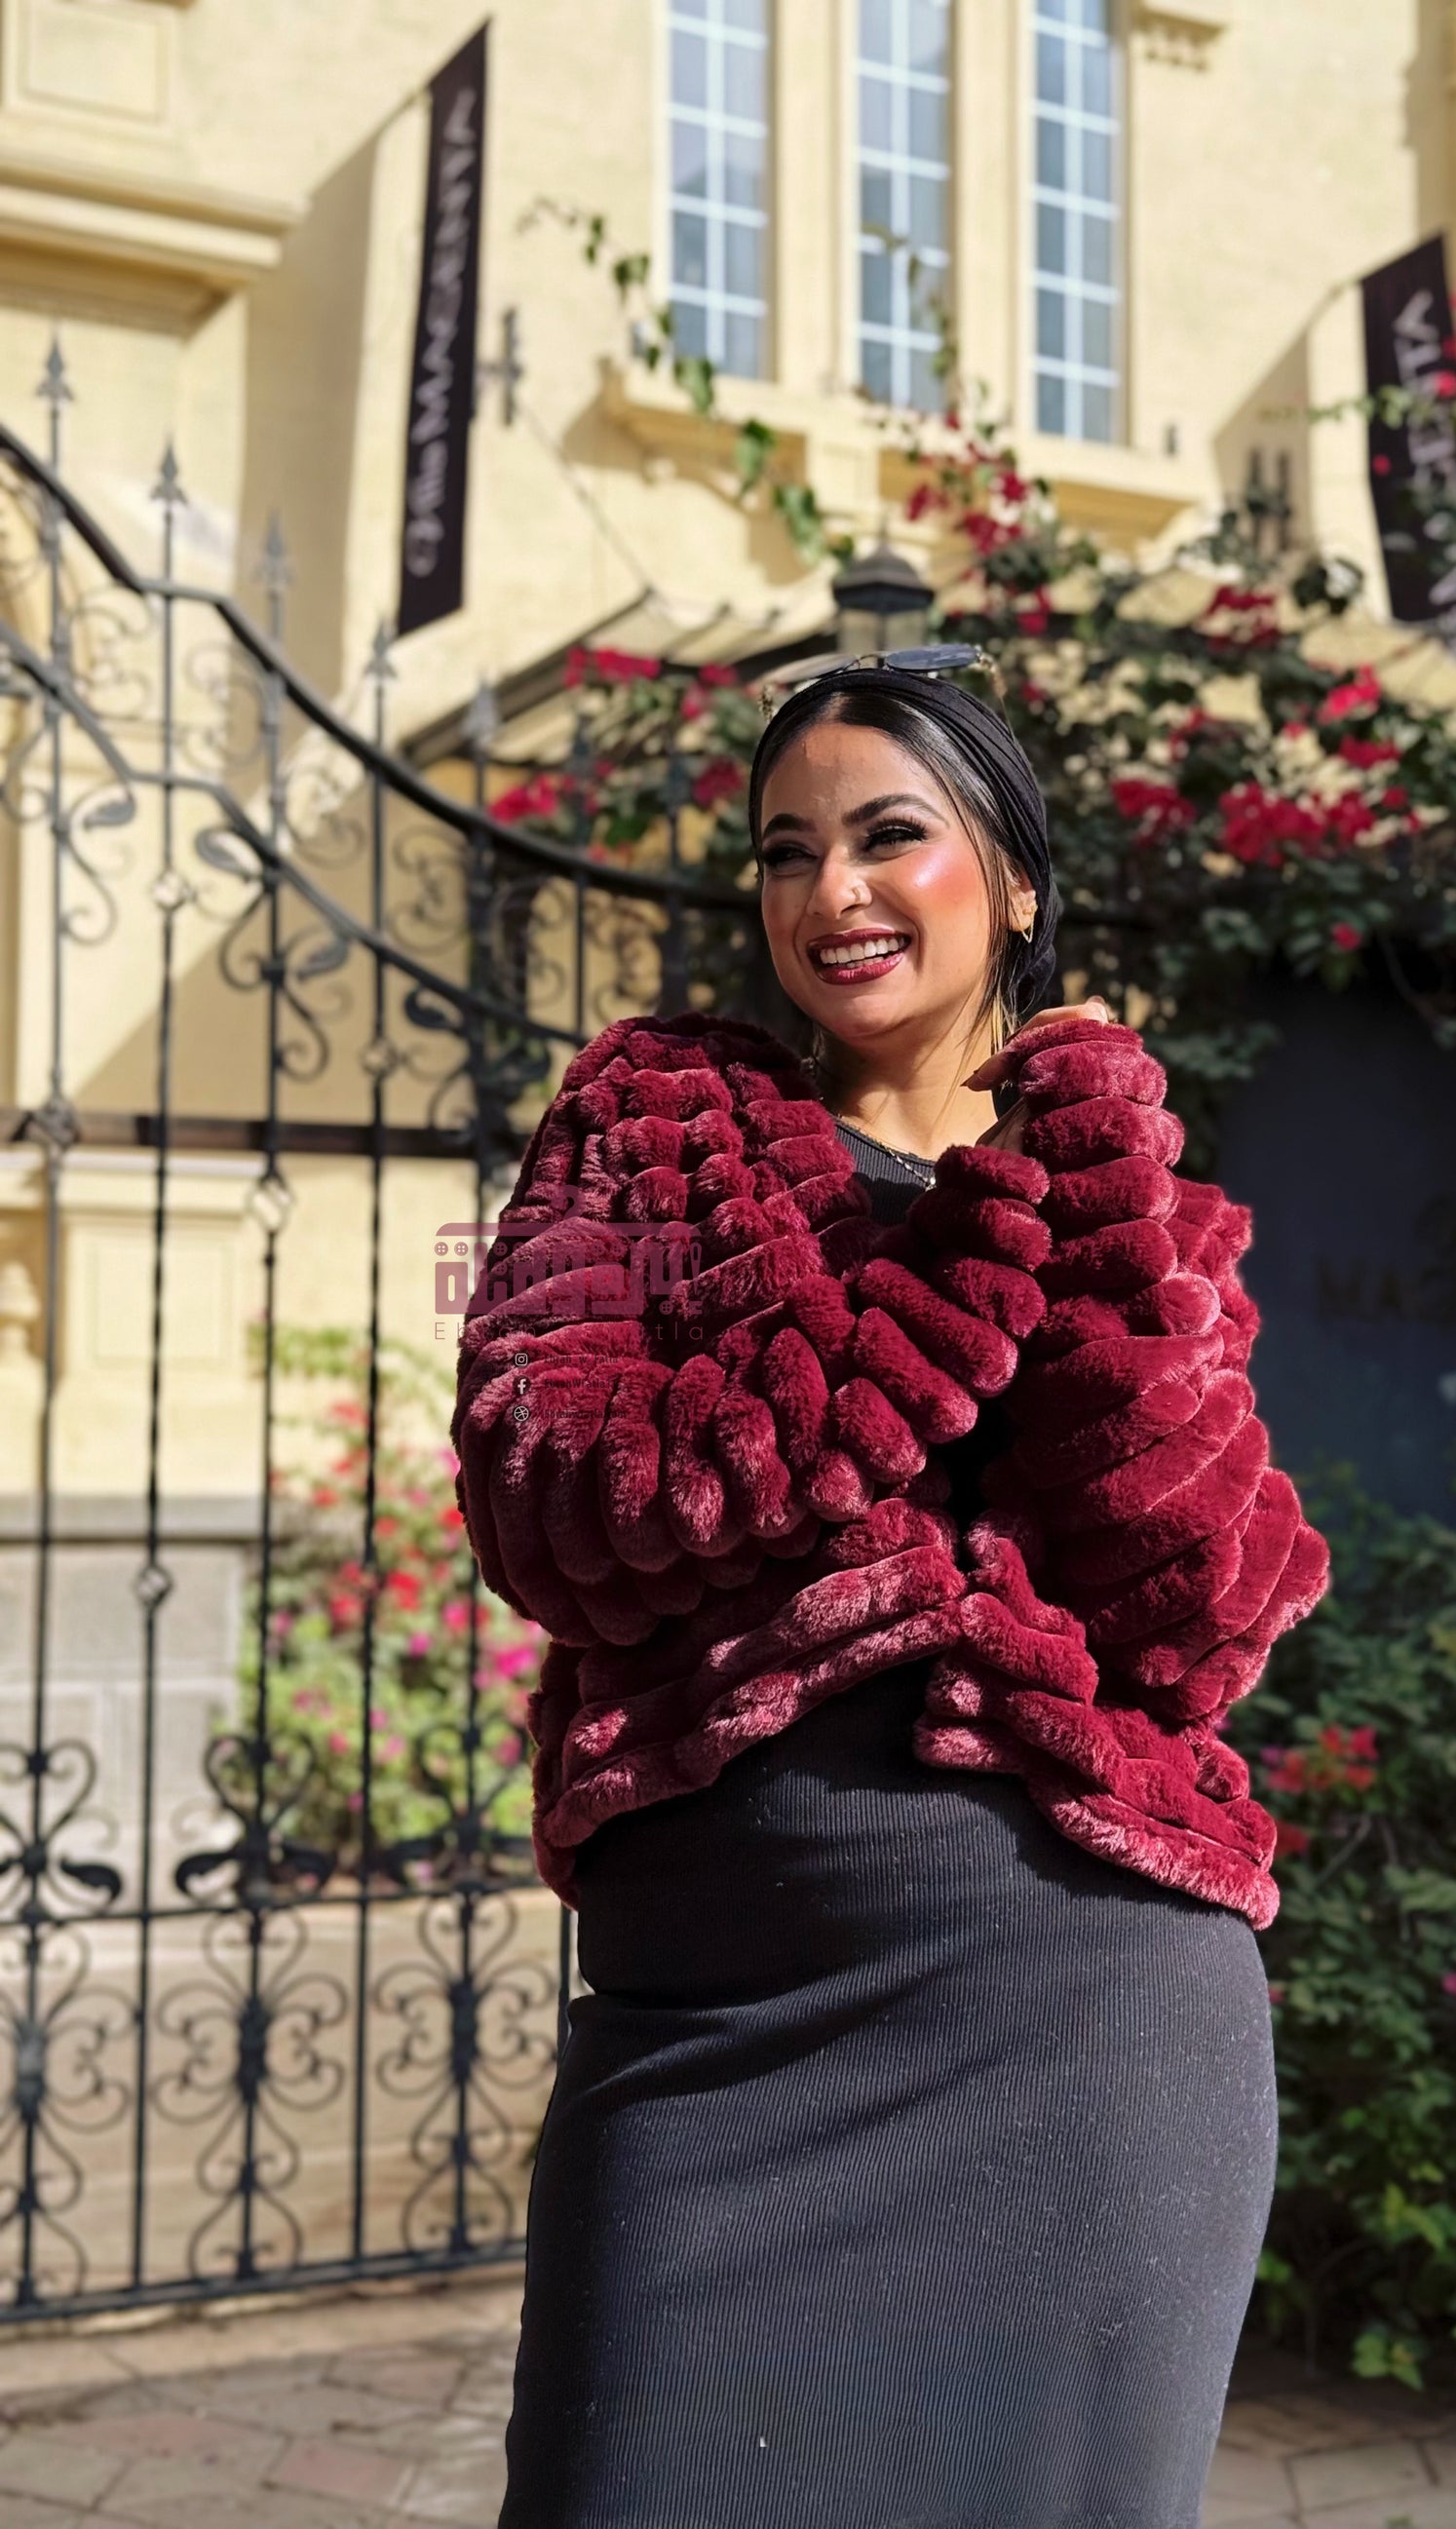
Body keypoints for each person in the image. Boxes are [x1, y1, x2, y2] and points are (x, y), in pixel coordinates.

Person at [456, 658, 1327, 2529]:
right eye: (787, 851)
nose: (829, 891)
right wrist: (925, 1313)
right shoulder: (655, 1126)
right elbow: (548, 1495)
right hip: (718, 2024)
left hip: (1084, 2019)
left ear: (1011, 879)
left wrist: (1091, 1197)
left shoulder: (1133, 1199)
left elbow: (1200, 1613)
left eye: (886, 836)